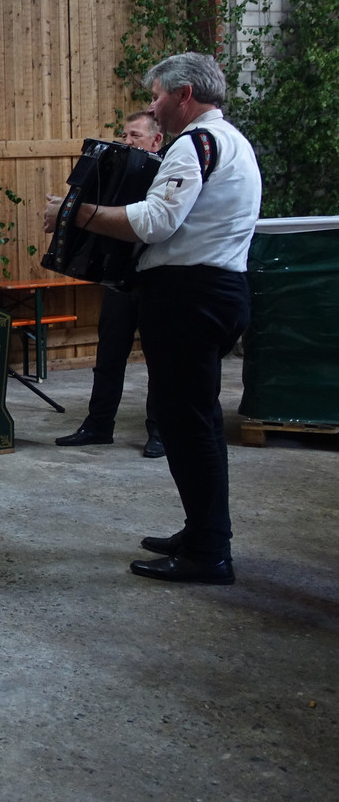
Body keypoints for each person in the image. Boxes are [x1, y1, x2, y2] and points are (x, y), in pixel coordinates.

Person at [45, 52, 261, 585]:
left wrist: (74, 213)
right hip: (218, 291)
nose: (153, 106)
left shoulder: (194, 143)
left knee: (189, 426)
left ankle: (208, 553)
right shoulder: (232, 141)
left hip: (189, 297)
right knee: (197, 422)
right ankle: (203, 532)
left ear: (184, 94)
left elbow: (156, 221)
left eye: (158, 95)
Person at [55, 111, 165, 457]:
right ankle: (98, 425)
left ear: (156, 141)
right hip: (119, 277)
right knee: (109, 354)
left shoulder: (168, 173)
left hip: (156, 279)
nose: (128, 142)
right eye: (125, 136)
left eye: (135, 136)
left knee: (159, 359)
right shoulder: (117, 169)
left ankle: (159, 431)